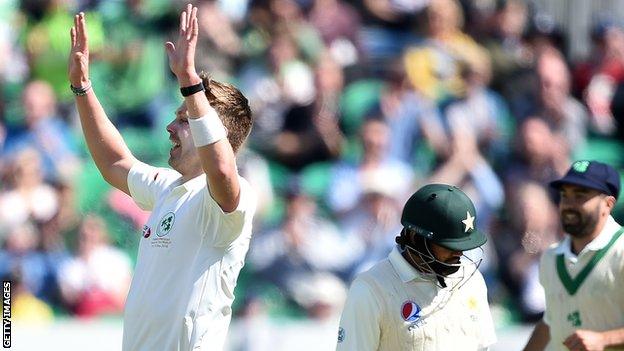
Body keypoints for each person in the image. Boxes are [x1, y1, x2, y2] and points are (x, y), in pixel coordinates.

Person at [68, 4, 255, 350]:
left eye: (184, 120)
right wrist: (82, 88)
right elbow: (114, 162)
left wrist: (189, 82)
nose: (170, 127)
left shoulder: (232, 198)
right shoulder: (167, 187)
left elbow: (223, 168)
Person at [336, 183, 496, 350]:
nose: (459, 254)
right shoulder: (370, 289)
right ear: (414, 237)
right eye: (448, 245)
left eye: (462, 246)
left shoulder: (473, 280)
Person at [523, 160, 624, 351]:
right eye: (564, 195)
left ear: (608, 204)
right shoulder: (551, 257)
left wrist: (604, 339)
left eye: (580, 196)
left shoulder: (621, 250)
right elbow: (551, 321)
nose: (569, 204)